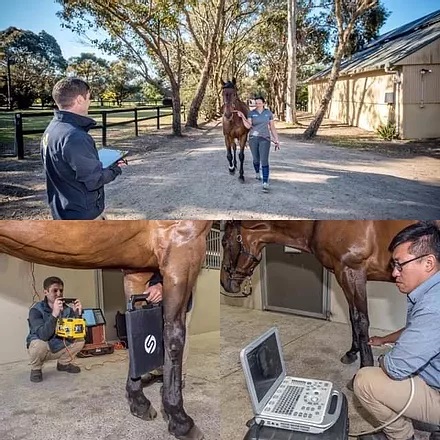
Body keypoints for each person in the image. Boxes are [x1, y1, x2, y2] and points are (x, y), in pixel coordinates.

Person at [353, 221, 440, 440]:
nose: (394, 273)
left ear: (428, 263)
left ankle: (401, 436)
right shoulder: (432, 292)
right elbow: (418, 328)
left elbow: (395, 368)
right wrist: (385, 339)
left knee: (365, 380)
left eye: (400, 265)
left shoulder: (433, 306)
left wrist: (384, 358)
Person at [41, 77, 122, 220]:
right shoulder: (75, 136)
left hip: (62, 210)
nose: (90, 102)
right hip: (83, 215)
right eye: (88, 98)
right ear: (79, 99)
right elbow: (94, 180)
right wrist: (114, 169)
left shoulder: (52, 128)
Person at [26, 276, 85, 383]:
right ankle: (36, 369)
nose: (59, 294)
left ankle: (63, 364)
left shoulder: (67, 309)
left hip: (59, 344)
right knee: (38, 344)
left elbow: (76, 331)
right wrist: (54, 314)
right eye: (55, 290)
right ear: (45, 292)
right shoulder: (35, 310)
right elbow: (43, 335)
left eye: (61, 290)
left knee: (80, 339)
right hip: (44, 345)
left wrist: (78, 314)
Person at [141, 272, 193, 388]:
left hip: (178, 285)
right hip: (155, 285)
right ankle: (158, 371)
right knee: (156, 331)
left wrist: (161, 285)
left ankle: (178, 375)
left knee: (178, 331)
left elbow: (183, 266)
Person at [235, 96, 280, 192]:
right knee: (256, 159)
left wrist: (276, 139)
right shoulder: (251, 113)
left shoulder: (268, 113)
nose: (257, 105)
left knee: (264, 160)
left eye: (259, 103)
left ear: (263, 103)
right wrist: (243, 117)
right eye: (256, 103)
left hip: (265, 139)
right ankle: (257, 172)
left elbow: (272, 127)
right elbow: (248, 125)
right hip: (253, 139)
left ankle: (265, 182)